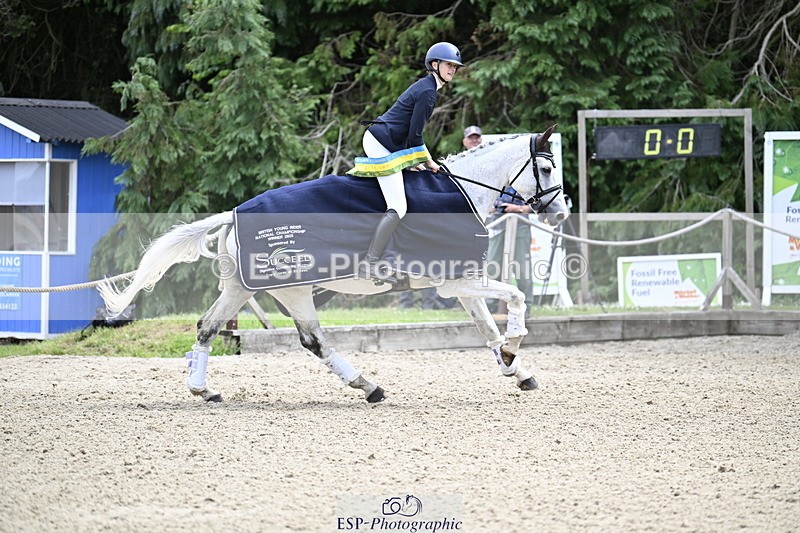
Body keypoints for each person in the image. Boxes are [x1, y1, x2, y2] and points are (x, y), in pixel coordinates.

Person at [348, 42, 464, 284]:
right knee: (398, 206)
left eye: (455, 66)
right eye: (449, 65)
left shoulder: (429, 88)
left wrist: (414, 161)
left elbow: (411, 138)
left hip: (390, 143)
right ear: (435, 65)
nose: (453, 70)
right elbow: (415, 136)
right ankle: (368, 264)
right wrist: (430, 162)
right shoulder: (427, 91)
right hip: (381, 142)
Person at [469, 127, 534, 313]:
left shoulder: (528, 175)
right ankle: (489, 307)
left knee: (523, 270)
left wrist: (518, 209)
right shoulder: (496, 172)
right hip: (497, 223)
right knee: (493, 267)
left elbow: (537, 206)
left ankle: (526, 307)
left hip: (521, 225)